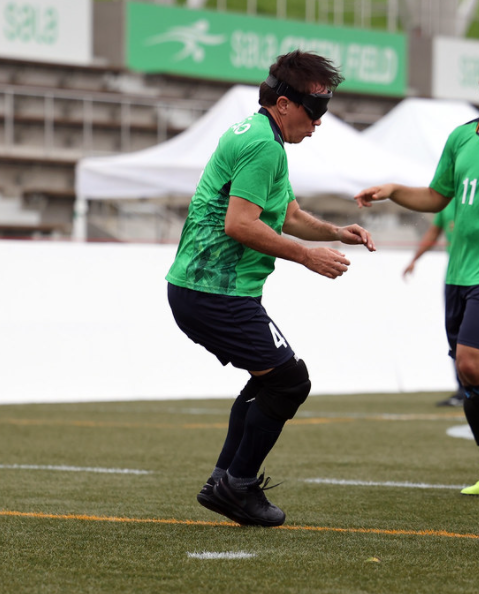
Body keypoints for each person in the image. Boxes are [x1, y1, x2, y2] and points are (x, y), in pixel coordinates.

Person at [166, 50, 375, 527]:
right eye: (313, 109)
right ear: (284, 103)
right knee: (289, 381)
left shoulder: (260, 135)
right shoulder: (263, 145)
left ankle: (227, 480)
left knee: (273, 379)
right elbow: (241, 224)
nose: (319, 122)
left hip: (210, 290)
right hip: (214, 291)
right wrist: (307, 256)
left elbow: (291, 215)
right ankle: (235, 485)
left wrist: (335, 233)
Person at [355, 51, 479, 496]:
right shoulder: (460, 138)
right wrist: (392, 190)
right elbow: (435, 196)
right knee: (465, 373)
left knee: (472, 361)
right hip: (460, 272)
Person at [403, 203, 465, 407]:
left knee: (475, 336)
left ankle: (478, 388)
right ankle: (463, 389)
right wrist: (415, 259)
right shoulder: (446, 204)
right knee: (455, 335)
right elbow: (433, 233)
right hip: (453, 278)